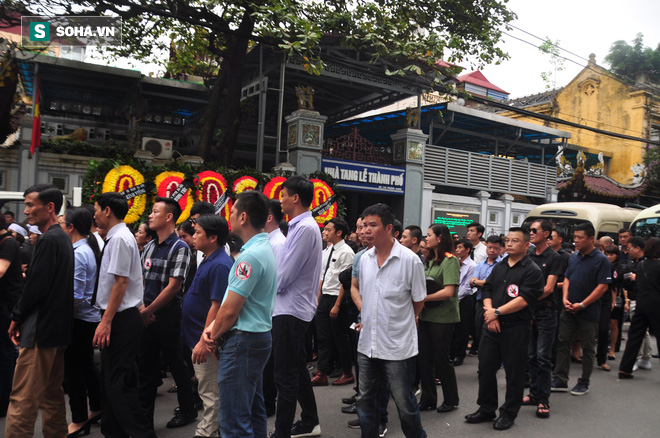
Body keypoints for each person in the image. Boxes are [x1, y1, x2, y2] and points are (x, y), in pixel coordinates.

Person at [202, 190, 278, 438]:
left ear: (243, 217)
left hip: (244, 340)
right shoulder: (262, 249)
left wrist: (211, 334)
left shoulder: (250, 256)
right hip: (255, 338)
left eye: (232, 211)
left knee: (234, 420)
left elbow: (229, 310)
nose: (229, 215)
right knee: (252, 412)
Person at [5, 184, 74, 438]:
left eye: (31, 205)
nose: (26, 212)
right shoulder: (63, 238)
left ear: (50, 207)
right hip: (57, 330)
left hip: (40, 330)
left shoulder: (49, 240)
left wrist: (16, 316)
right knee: (51, 395)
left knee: (23, 398)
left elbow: (36, 287)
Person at [356, 203, 427, 438]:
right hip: (367, 345)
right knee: (365, 401)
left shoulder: (410, 261)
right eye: (364, 225)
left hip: (397, 347)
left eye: (372, 225)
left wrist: (401, 319)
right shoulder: (365, 259)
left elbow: (418, 302)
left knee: (404, 404)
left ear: (389, 229)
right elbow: (368, 298)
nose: (366, 230)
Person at [465, 227, 543, 431]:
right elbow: (488, 288)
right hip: (492, 325)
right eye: (507, 240)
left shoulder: (532, 270)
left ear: (526, 245)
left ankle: (509, 412)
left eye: (514, 241)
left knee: (513, 372)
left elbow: (525, 298)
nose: (509, 243)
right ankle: (486, 407)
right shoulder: (499, 267)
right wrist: (491, 313)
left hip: (516, 327)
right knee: (486, 368)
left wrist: (497, 312)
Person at [92, 192, 155, 438]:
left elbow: (120, 283)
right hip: (120, 315)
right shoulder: (120, 236)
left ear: (107, 210)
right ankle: (112, 432)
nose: (94, 214)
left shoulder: (119, 239)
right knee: (111, 382)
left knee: (119, 385)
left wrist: (106, 322)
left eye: (96, 209)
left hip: (120, 317)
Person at [271, 176, 323, 438]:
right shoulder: (300, 226)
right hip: (291, 309)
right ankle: (310, 420)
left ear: (295, 198)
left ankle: (281, 433)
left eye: (283, 194)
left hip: (290, 310)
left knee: (285, 377)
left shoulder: (303, 228)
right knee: (296, 370)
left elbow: (283, 277)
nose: (280, 199)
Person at [139, 197, 197, 429]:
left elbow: (174, 286)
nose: (150, 216)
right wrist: (142, 308)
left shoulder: (180, 247)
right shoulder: (150, 246)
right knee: (146, 367)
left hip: (168, 314)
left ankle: (187, 409)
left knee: (176, 363)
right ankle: (143, 422)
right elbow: (140, 280)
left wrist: (149, 310)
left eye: (155, 211)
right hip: (146, 313)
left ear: (169, 216)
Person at [183, 214, 233, 438]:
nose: (193, 237)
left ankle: (207, 432)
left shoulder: (221, 264)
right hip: (196, 336)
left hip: (206, 341)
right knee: (207, 388)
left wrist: (205, 340)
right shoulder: (209, 258)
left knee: (210, 391)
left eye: (198, 233)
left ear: (213, 237)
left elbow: (218, 306)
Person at [551, 223, 611, 396]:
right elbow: (567, 278)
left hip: (588, 311)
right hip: (568, 308)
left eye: (580, 237)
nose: (575, 241)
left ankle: (584, 382)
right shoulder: (574, 256)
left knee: (588, 347)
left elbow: (602, 287)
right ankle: (561, 379)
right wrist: (564, 299)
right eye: (574, 237)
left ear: (591, 239)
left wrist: (583, 304)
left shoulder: (601, 260)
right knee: (563, 342)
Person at [61, 208, 103, 436]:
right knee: (85, 366)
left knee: (73, 372)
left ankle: (78, 420)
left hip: (79, 319)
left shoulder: (79, 253)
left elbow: (75, 296)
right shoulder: (86, 249)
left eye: (62, 224)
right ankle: (97, 407)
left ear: (71, 227)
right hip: (87, 318)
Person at [418, 224, 460, 414]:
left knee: (442, 359)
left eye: (429, 235)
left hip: (443, 317)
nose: (426, 239)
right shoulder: (430, 260)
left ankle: (451, 399)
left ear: (440, 238)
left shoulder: (450, 261)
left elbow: (448, 291)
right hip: (426, 315)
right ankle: (428, 399)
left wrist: (423, 298)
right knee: (424, 359)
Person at [523, 220, 563, 418]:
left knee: (543, 357)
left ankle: (543, 399)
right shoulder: (528, 254)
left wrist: (524, 301)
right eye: (529, 230)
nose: (530, 233)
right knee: (531, 355)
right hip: (529, 311)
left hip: (546, 311)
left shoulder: (554, 257)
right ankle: (533, 393)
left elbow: (548, 289)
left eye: (534, 230)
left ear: (546, 234)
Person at [312, 218, 356, 387]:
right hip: (325, 297)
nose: (326, 232)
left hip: (337, 299)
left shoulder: (346, 251)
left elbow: (345, 282)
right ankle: (322, 372)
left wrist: (337, 304)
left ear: (339, 232)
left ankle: (347, 372)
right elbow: (322, 277)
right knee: (323, 337)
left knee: (340, 338)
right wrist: (317, 300)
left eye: (329, 229)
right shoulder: (328, 250)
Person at [618, 237, 660, 379]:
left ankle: (625, 369)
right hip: (656, 303)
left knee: (634, 336)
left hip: (641, 302)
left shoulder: (641, 265)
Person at [0, 213, 22, 418]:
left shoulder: (7, 243)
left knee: (5, 354)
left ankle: (4, 400)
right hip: (5, 305)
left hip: (7, 306)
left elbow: (1, 270)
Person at [469, 235, 503, 358]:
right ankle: (483, 355)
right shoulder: (480, 265)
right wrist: (485, 282)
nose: (492, 250)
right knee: (479, 330)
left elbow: (497, 284)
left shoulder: (503, 265)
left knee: (496, 331)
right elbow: (471, 281)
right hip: (480, 302)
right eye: (489, 247)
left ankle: (497, 357)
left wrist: (480, 282)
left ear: (500, 249)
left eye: (496, 248)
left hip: (497, 303)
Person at [451, 238, 476, 366]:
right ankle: (452, 352)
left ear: (467, 249)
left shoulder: (472, 265)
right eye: (456, 247)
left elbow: (467, 286)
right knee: (453, 328)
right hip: (453, 298)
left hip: (464, 299)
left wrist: (455, 298)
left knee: (462, 328)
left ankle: (459, 355)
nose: (457, 250)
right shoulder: (454, 262)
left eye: (460, 247)